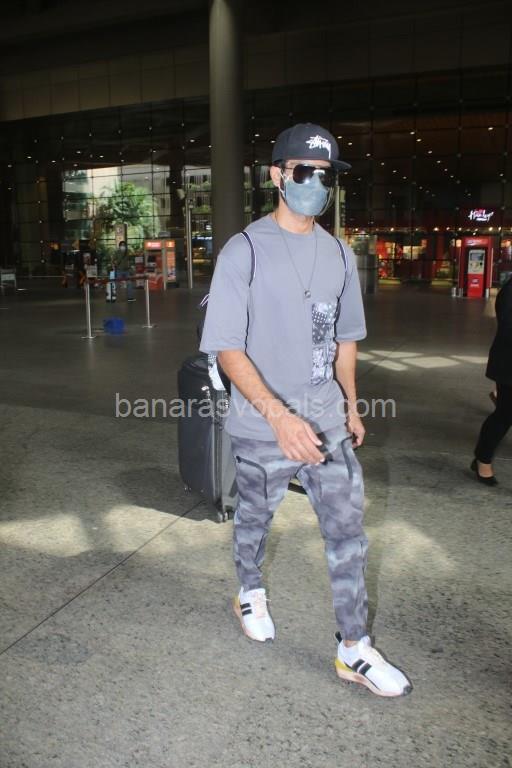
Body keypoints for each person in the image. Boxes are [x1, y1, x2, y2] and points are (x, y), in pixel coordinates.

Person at [200, 123, 411, 698]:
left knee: (348, 534)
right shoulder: (243, 251)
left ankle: (353, 648)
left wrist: (351, 406)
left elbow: (345, 340)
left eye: (325, 175)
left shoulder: (340, 253)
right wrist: (279, 417)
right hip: (262, 425)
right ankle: (249, 590)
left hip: (325, 421)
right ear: (277, 175)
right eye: (303, 172)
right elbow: (227, 348)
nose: (315, 184)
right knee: (254, 519)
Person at [472, 275, 512, 485]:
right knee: (505, 414)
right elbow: (508, 328)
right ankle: (483, 458)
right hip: (509, 363)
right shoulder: (510, 291)